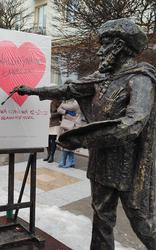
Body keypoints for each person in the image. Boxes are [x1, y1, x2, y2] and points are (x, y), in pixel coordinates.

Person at [16, 18, 156, 249]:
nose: (100, 52)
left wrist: (84, 137)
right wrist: (33, 90)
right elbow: (69, 88)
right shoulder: (102, 78)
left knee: (143, 223)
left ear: (119, 47)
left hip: (130, 168)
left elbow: (133, 124)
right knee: (101, 217)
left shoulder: (140, 79)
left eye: (104, 45)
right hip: (102, 162)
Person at [57, 100, 81, 168]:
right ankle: (66, 160)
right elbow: (58, 110)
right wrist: (65, 111)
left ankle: (69, 161)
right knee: (65, 142)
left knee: (71, 142)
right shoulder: (66, 100)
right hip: (66, 123)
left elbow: (73, 107)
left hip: (74, 124)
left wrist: (62, 105)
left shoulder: (76, 101)